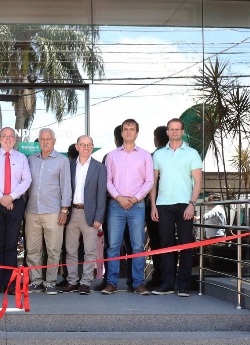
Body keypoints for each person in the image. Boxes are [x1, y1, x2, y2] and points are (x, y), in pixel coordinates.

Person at [150, 118, 203, 297]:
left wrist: (192, 204)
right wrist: (153, 206)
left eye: (177, 129)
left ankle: (184, 286)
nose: (174, 132)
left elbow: (198, 182)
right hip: (163, 205)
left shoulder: (192, 153)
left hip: (184, 205)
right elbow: (153, 183)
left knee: (186, 245)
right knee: (165, 245)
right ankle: (167, 284)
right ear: (167, 132)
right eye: (171, 129)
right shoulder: (158, 155)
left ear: (182, 132)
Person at [103, 119, 154, 295]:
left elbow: (149, 181)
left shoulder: (146, 155)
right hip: (116, 205)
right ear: (122, 133)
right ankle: (111, 283)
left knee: (138, 246)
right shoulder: (112, 156)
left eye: (132, 129)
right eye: (126, 129)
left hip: (137, 206)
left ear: (137, 133)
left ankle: (138, 283)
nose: (129, 132)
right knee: (113, 246)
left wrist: (134, 198)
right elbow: (107, 181)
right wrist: (119, 198)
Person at [0, 127, 31, 295]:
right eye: (5, 136)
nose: (8, 139)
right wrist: (2, 197)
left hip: (15, 204)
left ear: (15, 139)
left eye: (11, 136)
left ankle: (10, 283)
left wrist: (12, 197)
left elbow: (26, 180)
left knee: (10, 245)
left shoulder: (21, 158)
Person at [25, 128, 72, 295]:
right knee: (32, 249)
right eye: (42, 139)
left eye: (48, 139)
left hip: (53, 211)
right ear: (39, 141)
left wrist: (64, 210)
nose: (45, 141)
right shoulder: (30, 160)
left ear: (54, 141)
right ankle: (36, 281)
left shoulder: (62, 160)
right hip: (31, 211)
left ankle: (50, 282)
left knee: (53, 250)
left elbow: (66, 186)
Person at [62, 135, 106, 295]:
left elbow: (101, 195)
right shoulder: (69, 165)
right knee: (70, 250)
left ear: (92, 147)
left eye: (89, 145)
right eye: (83, 144)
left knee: (90, 251)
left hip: (90, 214)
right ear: (77, 147)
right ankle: (72, 281)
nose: (86, 147)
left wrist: (99, 218)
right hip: (72, 212)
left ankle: (86, 282)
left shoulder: (100, 167)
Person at [144, 125, 169, 289]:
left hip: (153, 206)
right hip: (172, 206)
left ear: (156, 139)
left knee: (156, 243)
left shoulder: (151, 157)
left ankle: (158, 277)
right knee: (169, 243)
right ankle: (168, 277)